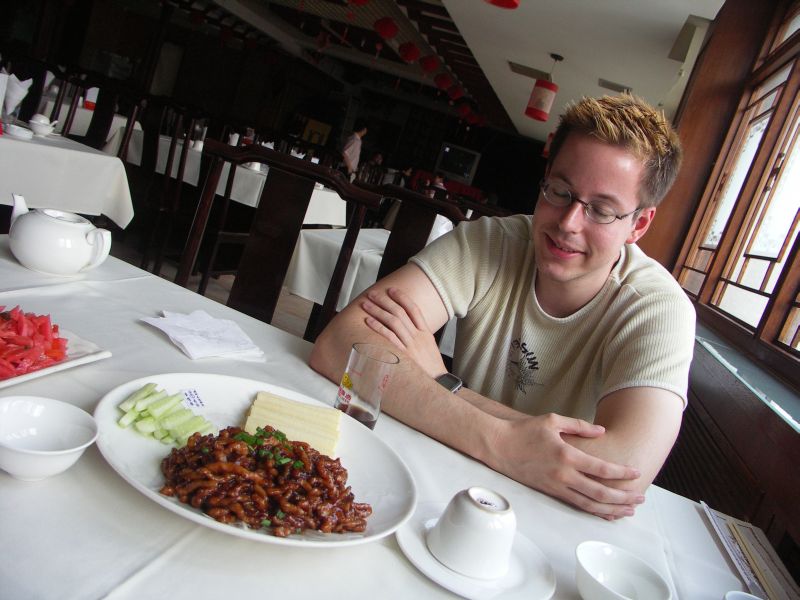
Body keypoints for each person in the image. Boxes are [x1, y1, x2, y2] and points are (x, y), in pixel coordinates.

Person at [309, 95, 695, 520]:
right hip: (440, 482)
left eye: (601, 211)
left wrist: (444, 384)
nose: (568, 223)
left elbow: (621, 474)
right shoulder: (491, 242)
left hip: (550, 516)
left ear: (639, 224)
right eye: (560, 191)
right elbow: (341, 345)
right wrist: (501, 442)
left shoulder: (657, 308)